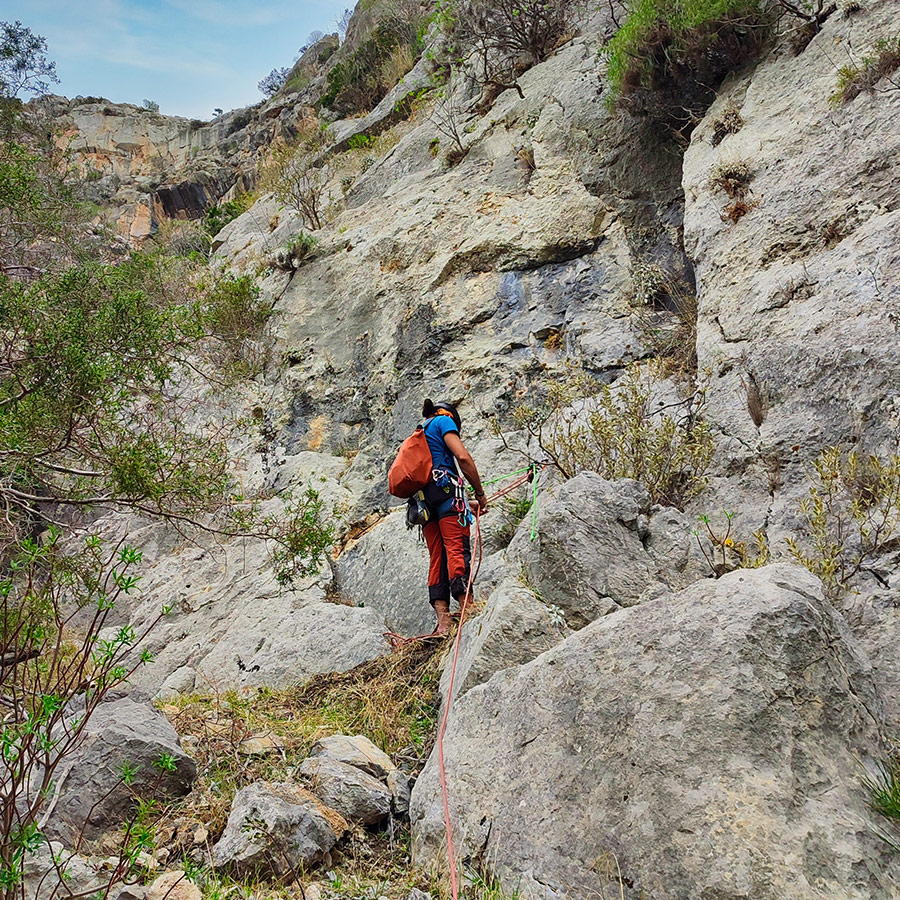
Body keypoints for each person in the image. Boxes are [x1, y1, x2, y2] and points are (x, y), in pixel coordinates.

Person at [419, 398, 488, 635]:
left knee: (437, 556)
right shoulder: (443, 422)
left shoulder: (419, 433)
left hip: (423, 504)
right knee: (456, 547)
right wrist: (480, 494)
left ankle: (444, 623)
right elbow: (463, 458)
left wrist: (466, 505)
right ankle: (468, 611)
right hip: (448, 496)